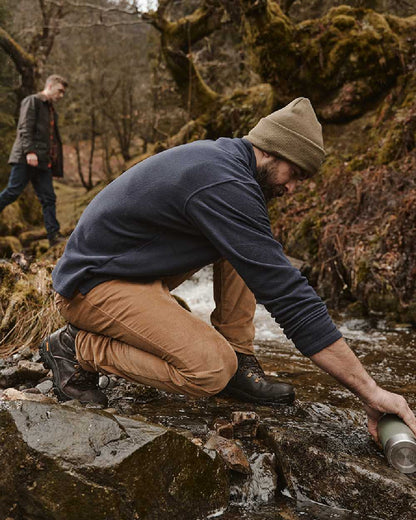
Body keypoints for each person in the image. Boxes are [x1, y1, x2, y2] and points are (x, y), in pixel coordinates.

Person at [40, 98, 416, 443]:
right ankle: (75, 347)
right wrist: (370, 391)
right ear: (272, 150)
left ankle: (241, 360)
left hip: (130, 270)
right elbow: (290, 299)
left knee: (248, 247)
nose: (294, 187)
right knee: (210, 369)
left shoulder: (230, 168)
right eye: (296, 173)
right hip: (89, 287)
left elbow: (264, 262)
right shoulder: (222, 182)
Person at [0, 74, 67, 247]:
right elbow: (24, 127)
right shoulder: (33, 101)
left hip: (43, 163)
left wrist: (55, 167)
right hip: (25, 157)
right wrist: (30, 152)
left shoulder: (51, 111)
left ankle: (54, 236)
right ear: (50, 85)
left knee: (49, 198)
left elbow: (53, 141)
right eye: (60, 91)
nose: (61, 95)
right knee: (13, 192)